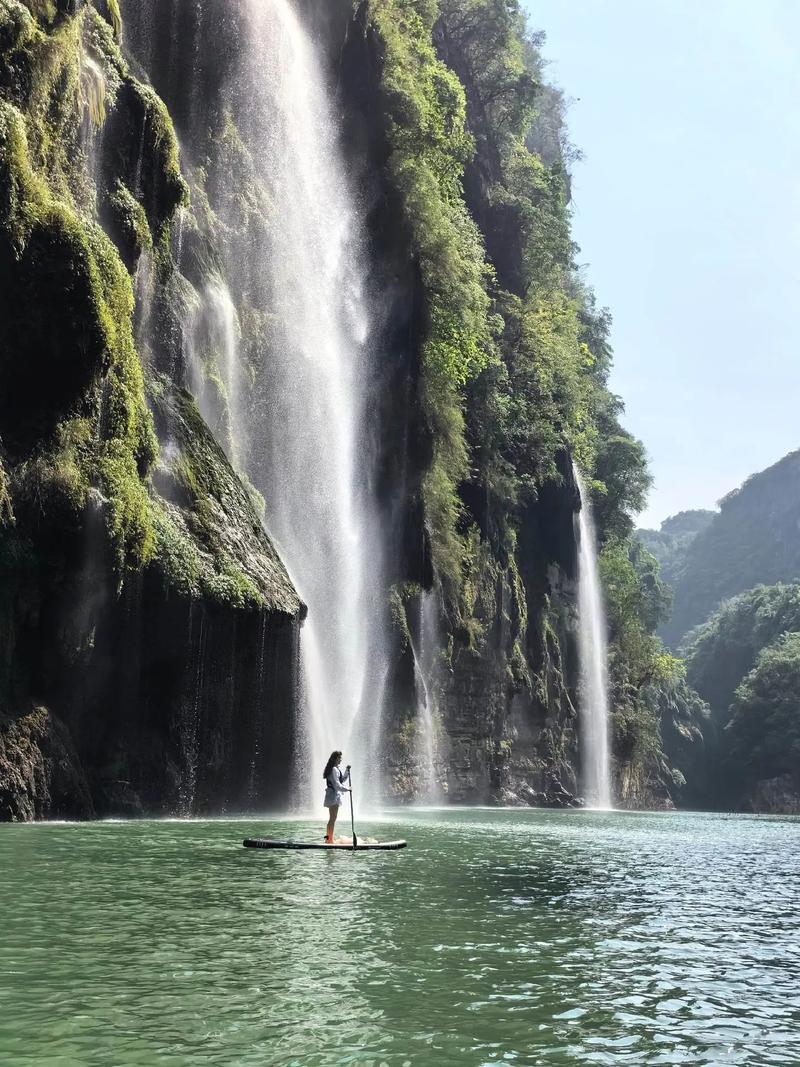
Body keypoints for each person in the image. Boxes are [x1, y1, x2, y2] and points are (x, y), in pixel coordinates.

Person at [323, 751, 351, 844]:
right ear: (335, 759)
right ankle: (328, 840)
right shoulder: (333, 769)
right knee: (332, 819)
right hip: (333, 797)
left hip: (334, 796)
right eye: (339, 758)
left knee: (332, 819)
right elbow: (337, 784)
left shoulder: (335, 769)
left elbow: (341, 780)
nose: (340, 760)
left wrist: (347, 771)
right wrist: (347, 789)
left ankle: (328, 839)